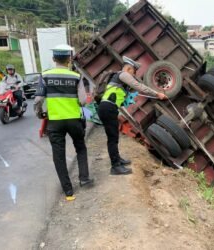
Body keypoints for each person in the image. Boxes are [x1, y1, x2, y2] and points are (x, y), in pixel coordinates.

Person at [34, 44, 94, 201]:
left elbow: (39, 99)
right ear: (69, 59)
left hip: (55, 122)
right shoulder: (75, 76)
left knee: (58, 155)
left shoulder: (45, 75)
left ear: (54, 59)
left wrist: (40, 114)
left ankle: (68, 191)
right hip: (74, 120)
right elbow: (82, 101)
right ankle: (84, 179)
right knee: (80, 148)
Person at [98, 56, 167, 175]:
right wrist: (157, 94)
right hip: (108, 108)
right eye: (134, 72)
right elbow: (139, 86)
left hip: (109, 108)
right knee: (112, 138)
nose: (134, 75)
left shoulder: (120, 78)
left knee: (114, 137)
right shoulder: (123, 75)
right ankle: (115, 167)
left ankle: (117, 160)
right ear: (129, 69)